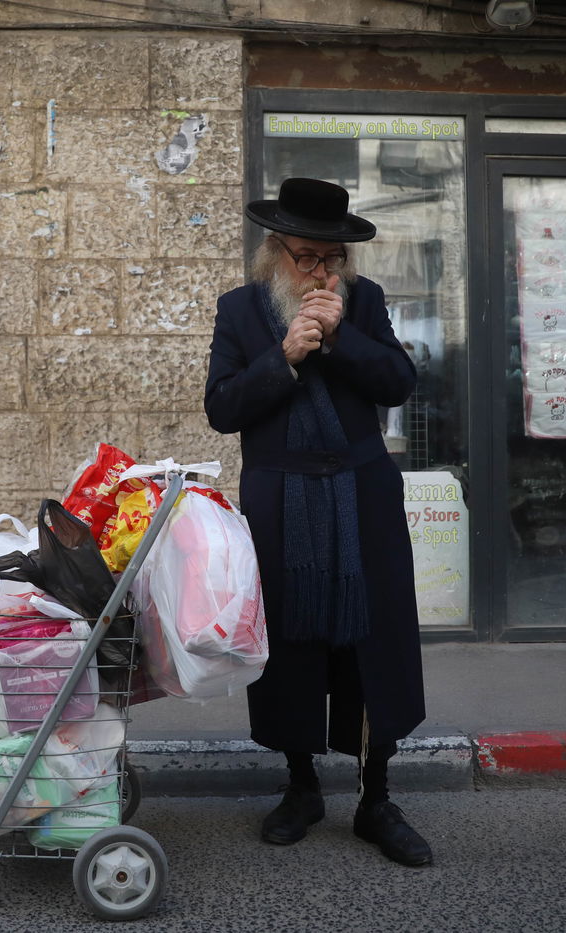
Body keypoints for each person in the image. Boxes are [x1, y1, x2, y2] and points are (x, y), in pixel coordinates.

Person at [204, 177, 430, 866]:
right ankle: (301, 786)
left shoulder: (365, 303)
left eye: (332, 258)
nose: (320, 271)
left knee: (371, 646)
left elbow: (397, 381)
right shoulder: (241, 312)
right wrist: (287, 356)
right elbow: (222, 408)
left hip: (362, 497)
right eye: (306, 256)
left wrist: (337, 342)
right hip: (283, 501)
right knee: (293, 647)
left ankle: (375, 796)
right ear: (275, 251)